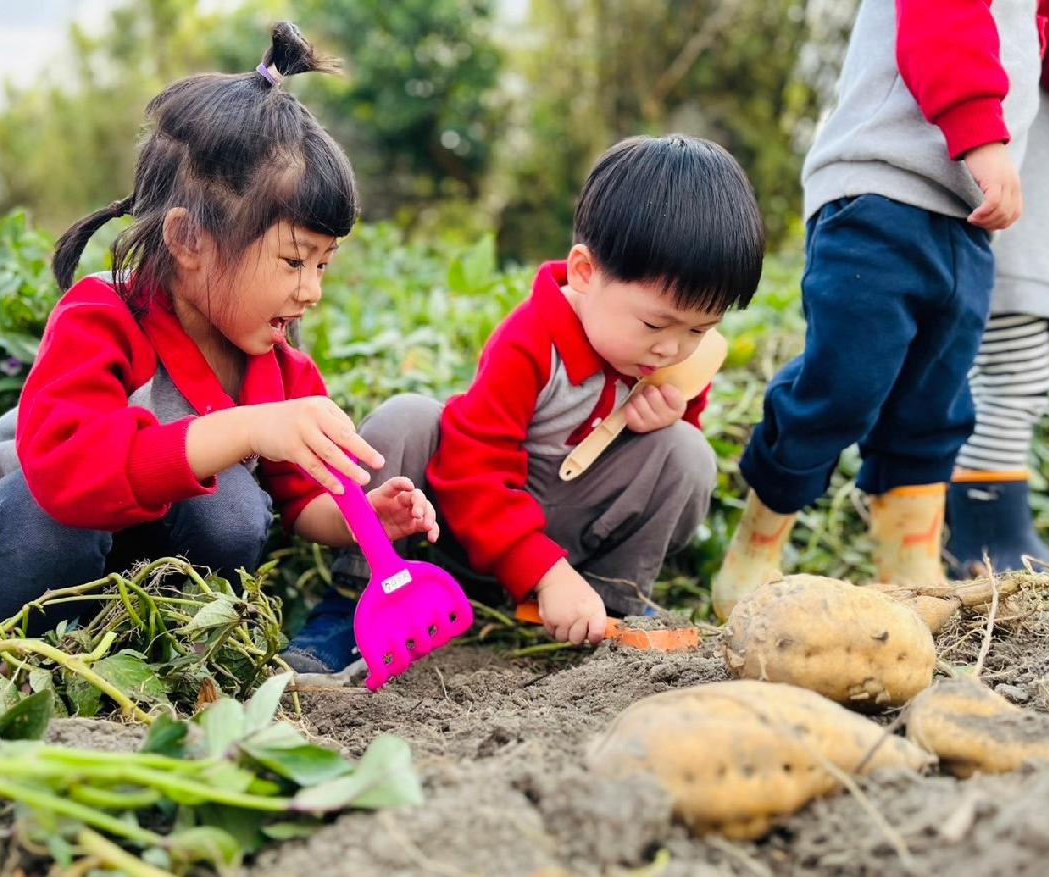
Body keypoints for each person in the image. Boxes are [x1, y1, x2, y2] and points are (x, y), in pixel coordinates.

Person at [0, 24, 438, 633]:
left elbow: (299, 498)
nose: (312, 289)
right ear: (188, 239)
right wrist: (246, 427)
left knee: (234, 506)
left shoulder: (277, 364)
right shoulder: (104, 317)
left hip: (142, 579)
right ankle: (48, 641)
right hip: (27, 540)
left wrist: (361, 519)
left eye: (323, 264)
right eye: (293, 260)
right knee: (52, 523)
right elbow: (70, 476)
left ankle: (154, 638)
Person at [281, 134, 765, 673]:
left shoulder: (670, 357)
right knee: (406, 418)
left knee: (687, 453)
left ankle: (609, 605)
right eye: (654, 323)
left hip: (573, 534)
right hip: (456, 528)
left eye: (700, 328)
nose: (671, 347)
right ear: (584, 272)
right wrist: (545, 572)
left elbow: (664, 472)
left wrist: (674, 414)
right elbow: (472, 467)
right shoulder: (533, 341)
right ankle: (358, 599)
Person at [710, 0, 1043, 618]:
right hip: (878, 198)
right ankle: (756, 547)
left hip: (965, 225)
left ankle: (908, 570)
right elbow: (942, 21)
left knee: (934, 402)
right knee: (843, 385)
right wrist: (982, 136)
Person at [946, 0, 1049, 576]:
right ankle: (985, 540)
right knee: (1011, 378)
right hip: (1027, 222)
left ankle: (987, 533)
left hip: (1043, 222)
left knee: (1011, 378)